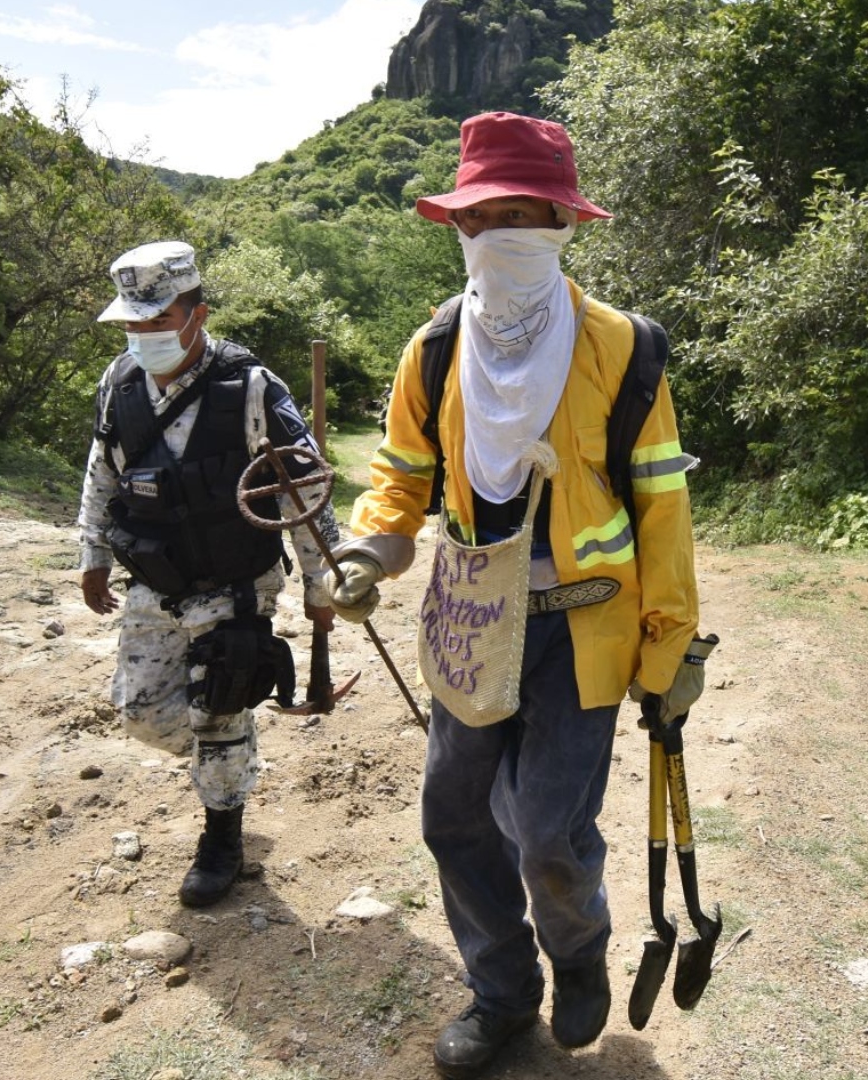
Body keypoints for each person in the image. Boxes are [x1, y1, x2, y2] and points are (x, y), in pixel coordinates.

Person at [323, 113, 707, 1077]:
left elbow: (662, 507)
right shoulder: (437, 349)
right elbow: (402, 476)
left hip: (585, 630)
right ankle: (502, 992)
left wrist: (672, 652)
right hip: (467, 618)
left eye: (531, 212)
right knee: (453, 817)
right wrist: (371, 551)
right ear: (461, 225)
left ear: (566, 222)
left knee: (545, 830)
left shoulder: (625, 349)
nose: (510, 230)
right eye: (490, 213)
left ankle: (577, 956)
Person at [77, 240, 339, 908]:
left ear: (198, 314)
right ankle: (227, 750)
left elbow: (302, 494)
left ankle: (222, 832)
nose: (144, 336)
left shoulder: (251, 388)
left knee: (219, 704)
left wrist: (321, 584)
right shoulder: (120, 381)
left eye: (158, 321)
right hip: (154, 580)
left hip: (234, 582)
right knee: (143, 714)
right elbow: (102, 470)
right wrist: (93, 555)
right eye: (133, 324)